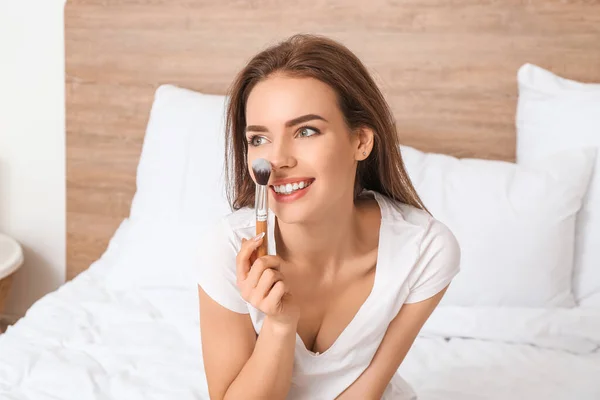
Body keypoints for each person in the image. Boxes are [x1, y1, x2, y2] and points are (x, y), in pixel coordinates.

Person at [197, 34, 460, 400]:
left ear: (361, 141)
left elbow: (366, 390)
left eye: (306, 131)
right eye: (259, 139)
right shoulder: (227, 249)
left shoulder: (424, 250)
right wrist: (279, 324)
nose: (278, 160)